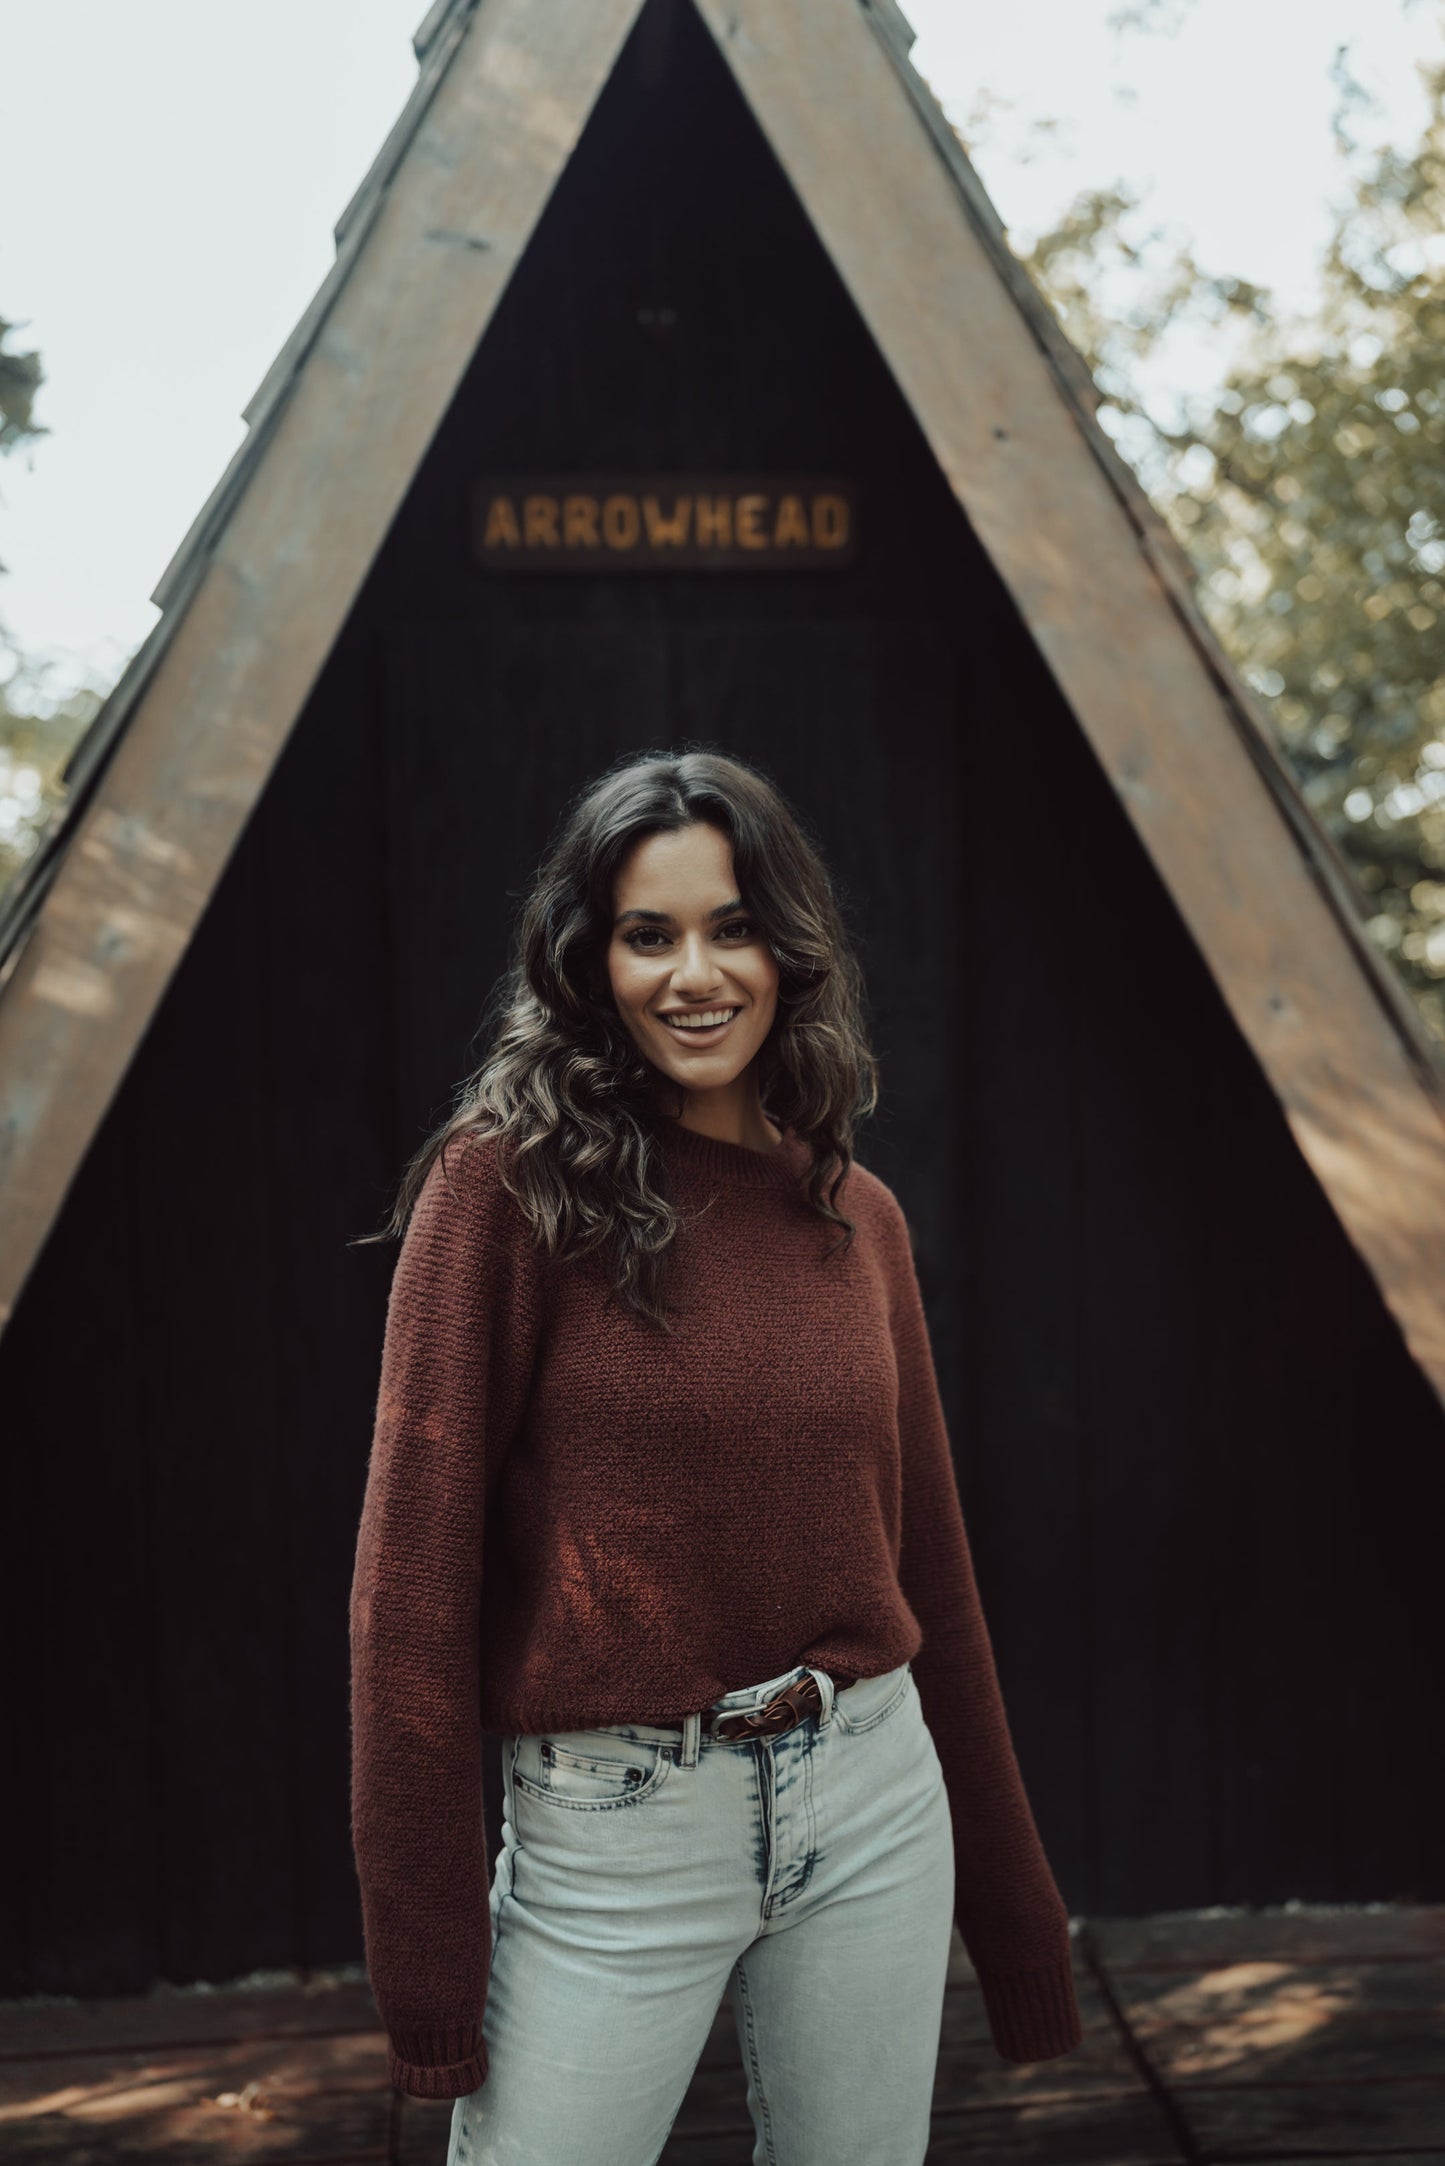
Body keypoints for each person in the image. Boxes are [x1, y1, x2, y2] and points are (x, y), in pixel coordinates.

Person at [348, 746, 1082, 2166]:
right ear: (589, 959)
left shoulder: (856, 1216)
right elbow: (408, 1599)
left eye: (732, 925)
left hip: (871, 1798)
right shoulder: (501, 1193)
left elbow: (930, 1571)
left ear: (788, 947)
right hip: (615, 1834)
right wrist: (426, 1977)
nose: (697, 972)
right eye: (648, 932)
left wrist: (1015, 1920)